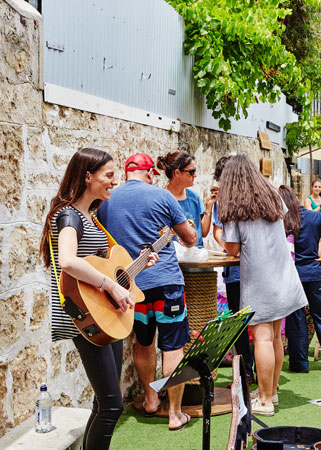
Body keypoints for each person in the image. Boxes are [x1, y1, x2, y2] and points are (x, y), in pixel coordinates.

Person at [39, 148, 158, 450]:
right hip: (84, 319)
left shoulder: (90, 217)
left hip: (104, 315)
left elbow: (101, 269)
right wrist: (111, 285)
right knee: (112, 405)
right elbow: (67, 261)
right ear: (87, 176)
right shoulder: (69, 216)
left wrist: (136, 267)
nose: (114, 181)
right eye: (108, 175)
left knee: (102, 402)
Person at [97, 152, 197, 431]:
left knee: (143, 343)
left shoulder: (106, 201)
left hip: (132, 287)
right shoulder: (162, 196)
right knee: (173, 348)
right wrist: (186, 228)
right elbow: (190, 240)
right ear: (150, 172)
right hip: (167, 285)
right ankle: (175, 414)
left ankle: (151, 400)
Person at [218, 156, 307, 416]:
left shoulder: (235, 208)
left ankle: (265, 400)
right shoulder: (272, 197)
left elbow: (232, 249)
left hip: (259, 279)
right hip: (283, 276)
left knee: (262, 339)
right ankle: (273, 392)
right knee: (276, 337)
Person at [279, 185, 321, 373]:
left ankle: (299, 363)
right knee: (320, 315)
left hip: (294, 275)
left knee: (296, 318)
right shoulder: (315, 216)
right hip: (314, 272)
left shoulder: (285, 221)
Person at [211, 156, 255, 384]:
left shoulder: (235, 202)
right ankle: (250, 371)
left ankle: (247, 372)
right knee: (250, 325)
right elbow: (219, 233)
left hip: (241, 271)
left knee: (241, 324)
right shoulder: (253, 198)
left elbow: (225, 239)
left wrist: (227, 244)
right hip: (247, 270)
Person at [156, 151, 215, 247]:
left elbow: (203, 233)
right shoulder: (161, 199)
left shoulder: (194, 198)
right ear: (177, 173)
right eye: (191, 172)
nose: (195, 175)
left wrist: (209, 206)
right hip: (174, 258)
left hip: (196, 257)